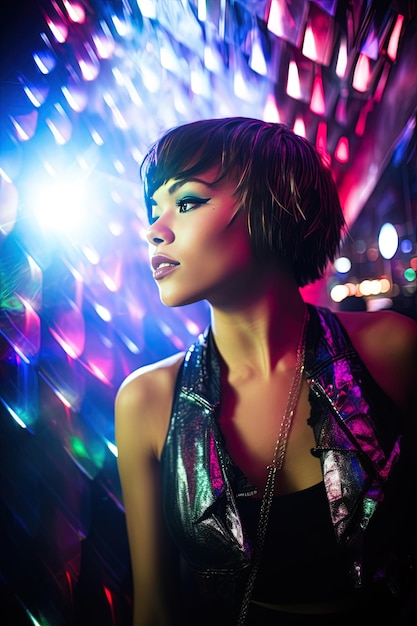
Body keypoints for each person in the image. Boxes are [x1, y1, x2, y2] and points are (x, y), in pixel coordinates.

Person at [115, 117, 417, 626]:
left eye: (186, 203)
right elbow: (154, 610)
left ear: (272, 207)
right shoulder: (147, 402)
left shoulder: (391, 350)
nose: (154, 228)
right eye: (154, 207)